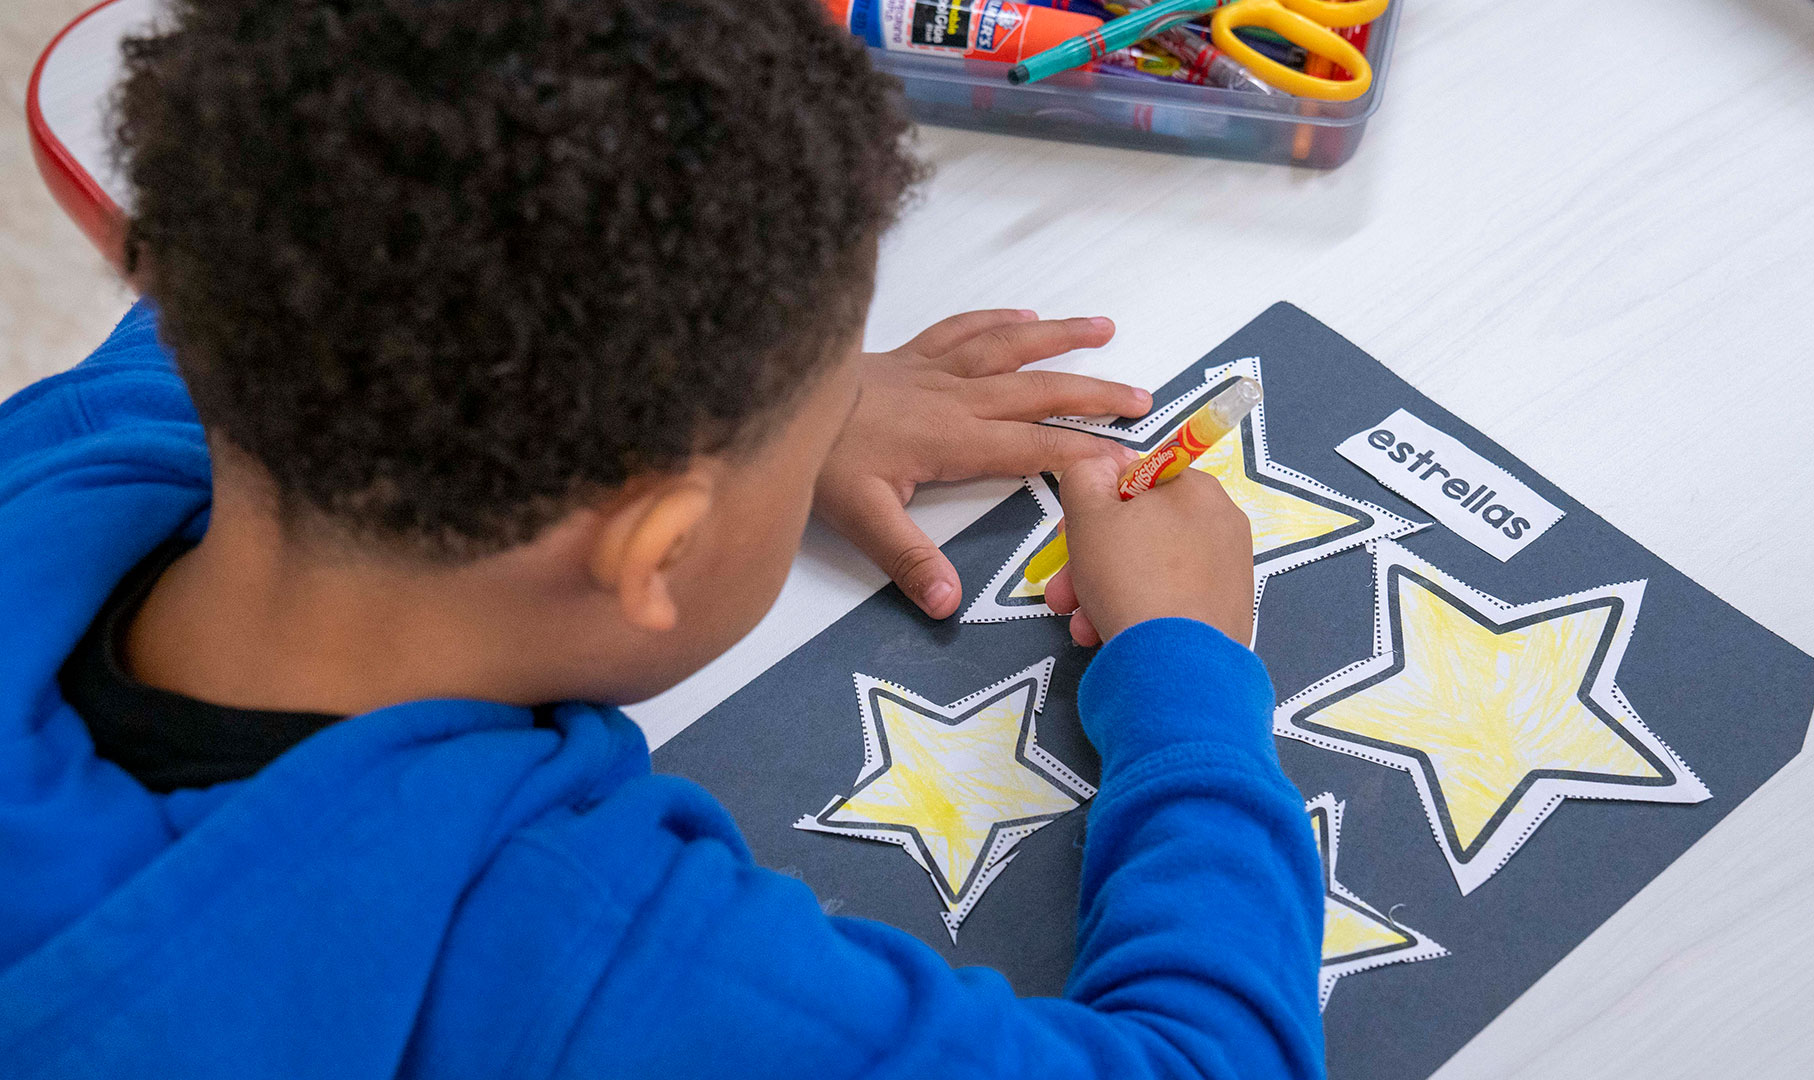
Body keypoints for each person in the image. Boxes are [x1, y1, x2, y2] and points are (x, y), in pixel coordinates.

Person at [0, 0, 1325, 1076]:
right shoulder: (583, 959)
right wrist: (1188, 672)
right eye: (810, 430)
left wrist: (766, 405)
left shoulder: (103, 423)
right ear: (651, 547)